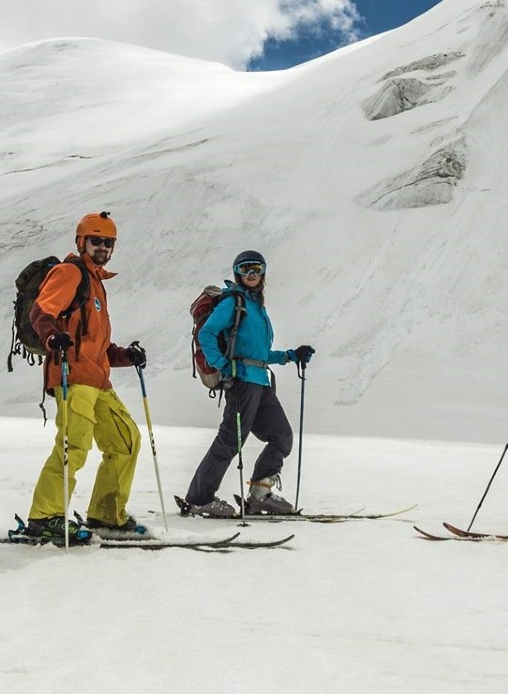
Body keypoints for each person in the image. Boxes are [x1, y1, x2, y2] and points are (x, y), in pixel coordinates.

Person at [21, 211, 149, 542]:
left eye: (109, 242)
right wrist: (52, 336)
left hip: (98, 380)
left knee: (126, 441)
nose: (103, 247)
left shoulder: (96, 284)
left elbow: (97, 347)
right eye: (97, 241)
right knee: (73, 445)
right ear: (82, 242)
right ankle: (46, 516)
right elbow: (41, 310)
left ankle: (106, 514)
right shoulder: (70, 273)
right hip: (71, 375)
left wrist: (125, 356)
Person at [179, 250, 314, 518]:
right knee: (230, 440)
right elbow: (207, 333)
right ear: (237, 273)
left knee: (281, 436)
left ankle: (260, 494)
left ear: (263, 273)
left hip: (260, 383)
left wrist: (289, 355)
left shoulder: (255, 306)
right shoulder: (234, 302)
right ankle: (199, 498)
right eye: (245, 269)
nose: (251, 274)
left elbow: (260, 355)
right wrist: (222, 364)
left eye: (256, 268)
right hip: (241, 382)